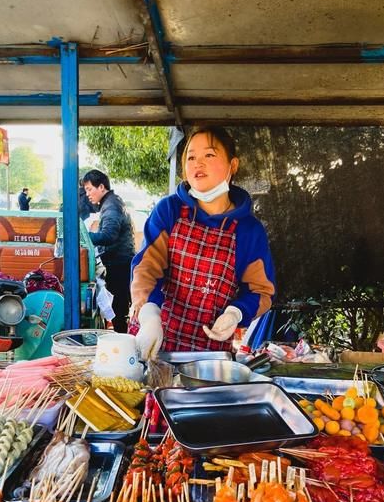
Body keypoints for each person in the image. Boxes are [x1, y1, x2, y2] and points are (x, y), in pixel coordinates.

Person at [130, 125, 275, 360]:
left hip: (210, 357)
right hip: (156, 343)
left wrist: (236, 313)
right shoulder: (169, 210)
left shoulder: (249, 230)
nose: (198, 163)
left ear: (233, 165)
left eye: (209, 155)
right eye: (191, 157)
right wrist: (149, 314)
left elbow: (261, 290)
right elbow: (146, 267)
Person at [83, 169, 135, 332]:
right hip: (120, 263)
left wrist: (84, 237)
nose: (88, 194)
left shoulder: (111, 205)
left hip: (119, 264)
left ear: (101, 187)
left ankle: (121, 345)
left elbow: (109, 235)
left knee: (118, 311)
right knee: (118, 309)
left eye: (89, 189)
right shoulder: (111, 202)